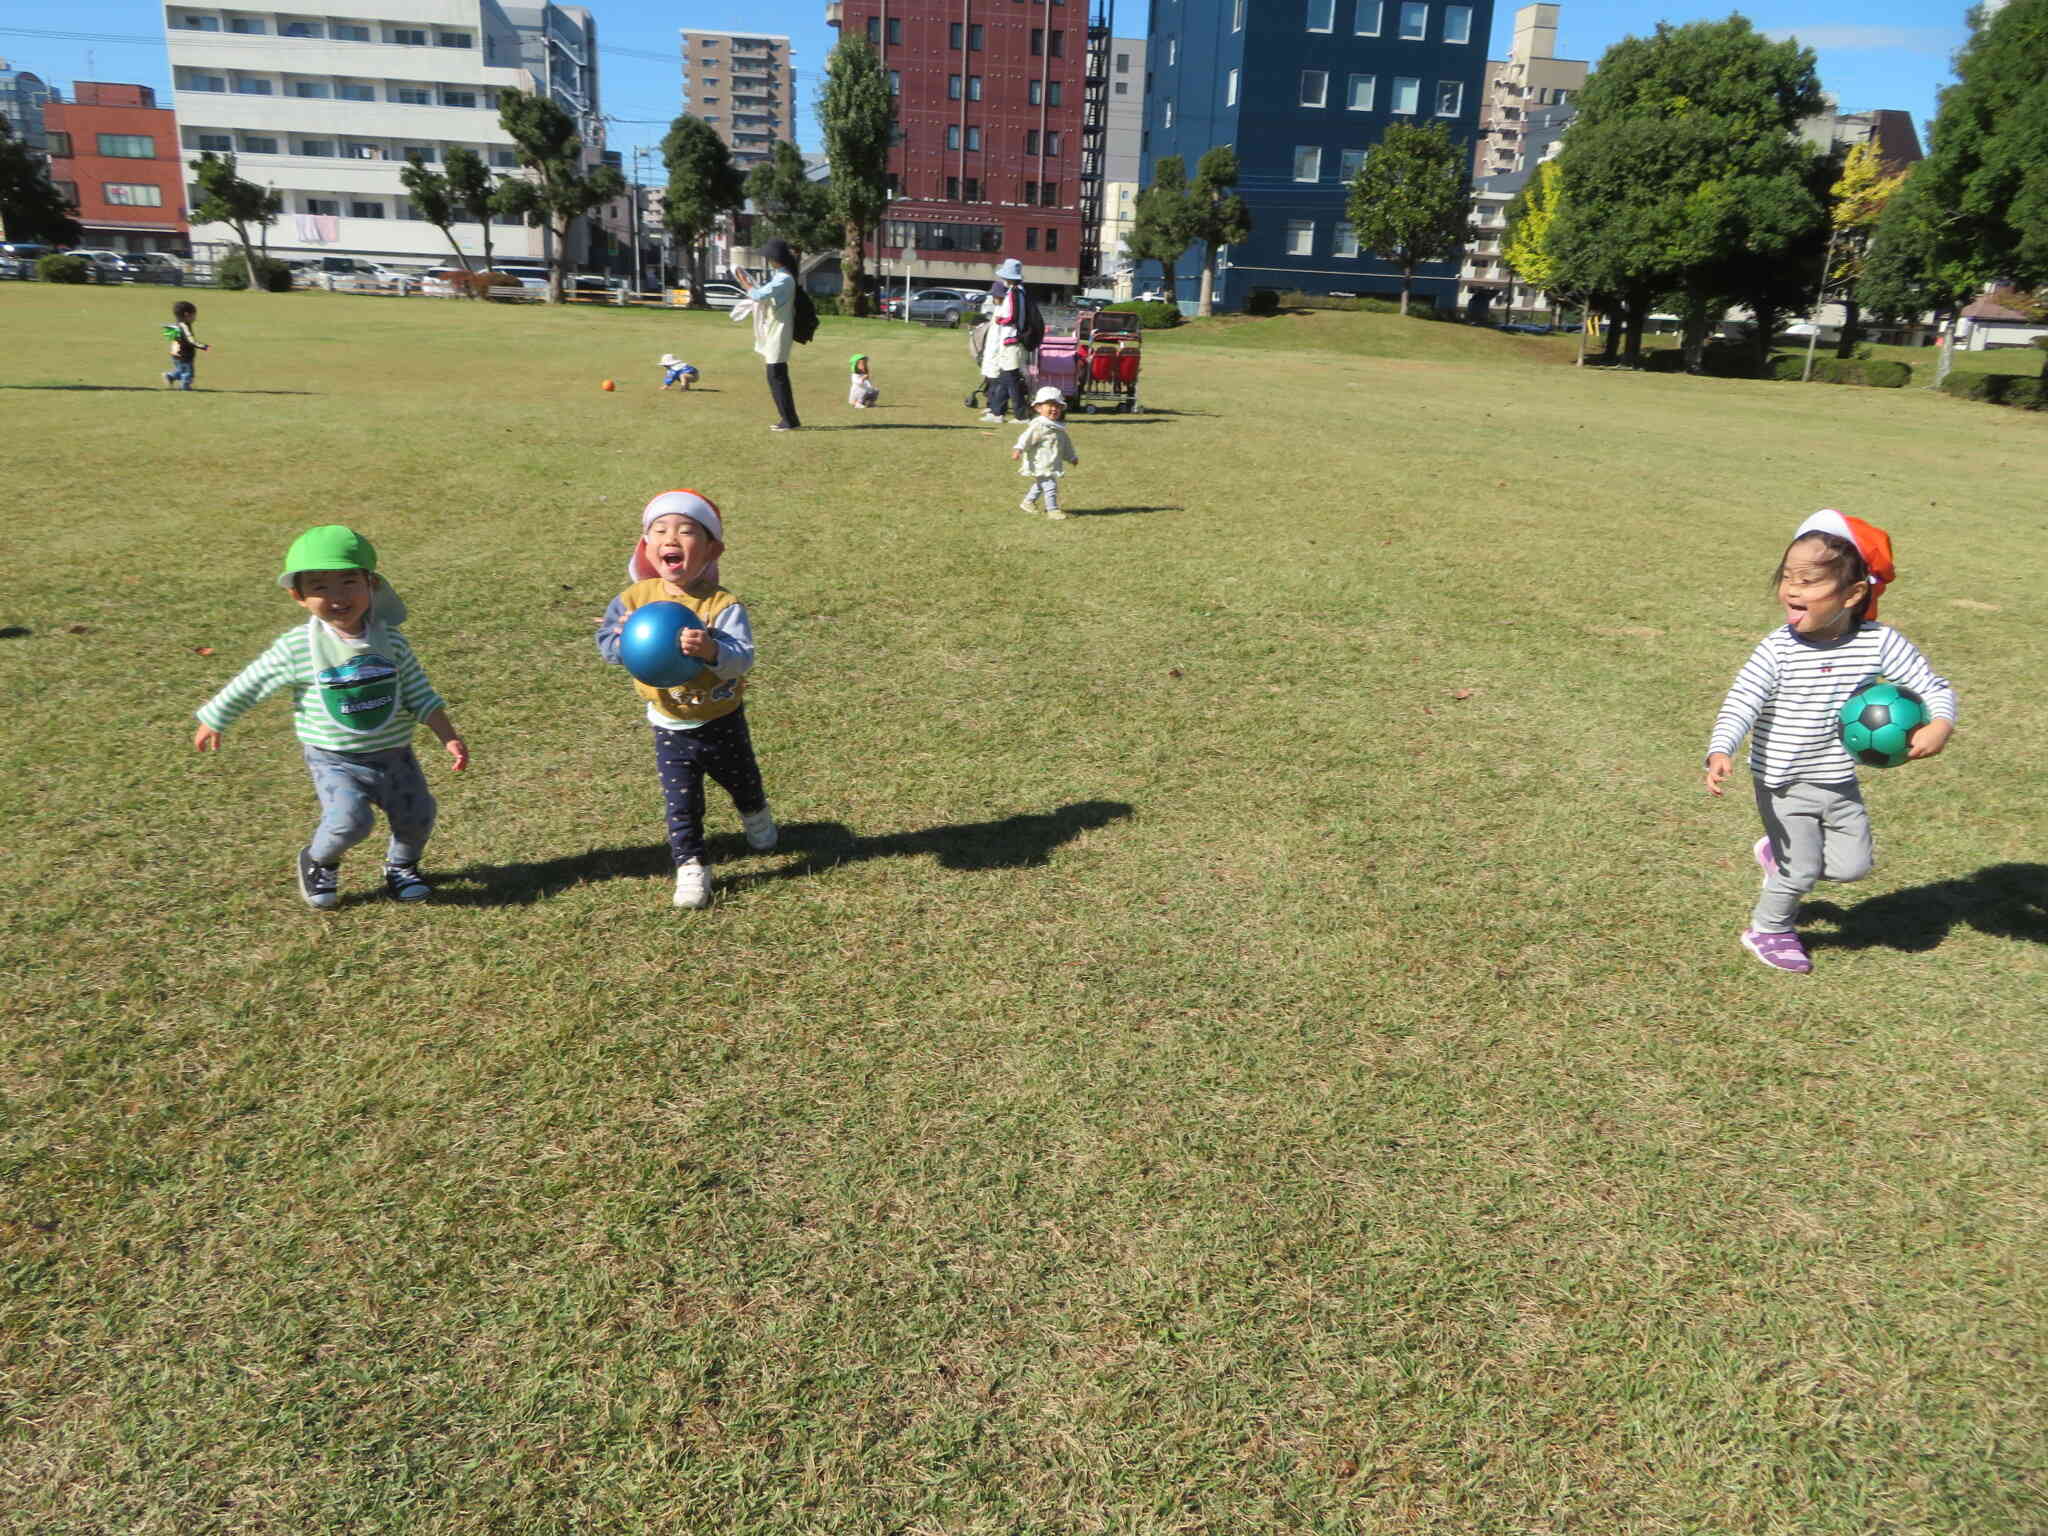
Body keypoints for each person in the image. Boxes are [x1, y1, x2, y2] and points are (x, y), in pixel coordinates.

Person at [1703, 510, 1956, 973]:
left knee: (1852, 867)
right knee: (1798, 870)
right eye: (1787, 578)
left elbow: (1932, 685)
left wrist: (1940, 723)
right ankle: (1769, 929)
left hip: (1838, 781)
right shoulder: (1776, 649)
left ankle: (1774, 853)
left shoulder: (1879, 643)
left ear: (1854, 593)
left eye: (1809, 580)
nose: (1792, 590)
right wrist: (1722, 748)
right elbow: (1742, 700)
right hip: (1782, 782)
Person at [193, 526, 468, 910]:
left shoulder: (392, 641)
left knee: (418, 815)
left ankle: (402, 866)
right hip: (334, 758)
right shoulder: (297, 647)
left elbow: (419, 693)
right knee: (350, 821)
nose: (337, 597)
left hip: (394, 754)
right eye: (320, 586)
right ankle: (319, 861)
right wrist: (217, 716)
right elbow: (253, 681)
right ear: (298, 596)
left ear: (371, 584)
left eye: (349, 582)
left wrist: (448, 735)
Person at [595, 490, 776, 909]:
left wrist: (711, 650)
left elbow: (742, 659)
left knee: (742, 780)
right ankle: (691, 865)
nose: (670, 537)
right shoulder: (633, 600)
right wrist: (622, 640)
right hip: (668, 723)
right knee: (681, 804)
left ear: (712, 548)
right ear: (647, 546)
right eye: (659, 530)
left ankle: (756, 814)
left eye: (686, 530)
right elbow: (604, 644)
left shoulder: (722, 605)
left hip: (722, 717)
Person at [741, 239, 801, 431]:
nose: (767, 260)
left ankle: (789, 420)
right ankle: (789, 418)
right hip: (776, 328)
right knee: (776, 375)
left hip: (780, 330)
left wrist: (746, 284)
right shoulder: (781, 276)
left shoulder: (784, 279)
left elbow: (758, 295)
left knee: (776, 375)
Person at [1010, 385, 1079, 520]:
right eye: (1050, 405)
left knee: (1042, 484)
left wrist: (1071, 457)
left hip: (1051, 462)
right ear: (1039, 408)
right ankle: (1052, 510)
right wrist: (1018, 449)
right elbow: (1026, 438)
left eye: (1057, 406)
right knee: (1050, 485)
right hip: (1040, 462)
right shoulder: (1038, 425)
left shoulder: (1058, 428)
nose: (1054, 409)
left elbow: (1065, 444)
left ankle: (1027, 502)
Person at [978, 258, 1029, 423]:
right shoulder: (1020, 291)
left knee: (1011, 379)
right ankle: (997, 411)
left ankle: (1020, 415)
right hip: (1011, 341)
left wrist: (1000, 320)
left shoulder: (1014, 293)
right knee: (1006, 377)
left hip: (1011, 340)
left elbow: (1012, 317)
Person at [163, 299, 208, 390]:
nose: (195, 318)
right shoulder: (184, 326)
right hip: (184, 354)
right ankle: (185, 387)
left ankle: (170, 376)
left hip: (175, 353)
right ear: (187, 315)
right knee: (188, 373)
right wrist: (203, 346)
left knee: (181, 370)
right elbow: (190, 340)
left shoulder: (175, 324)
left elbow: (170, 336)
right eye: (194, 315)